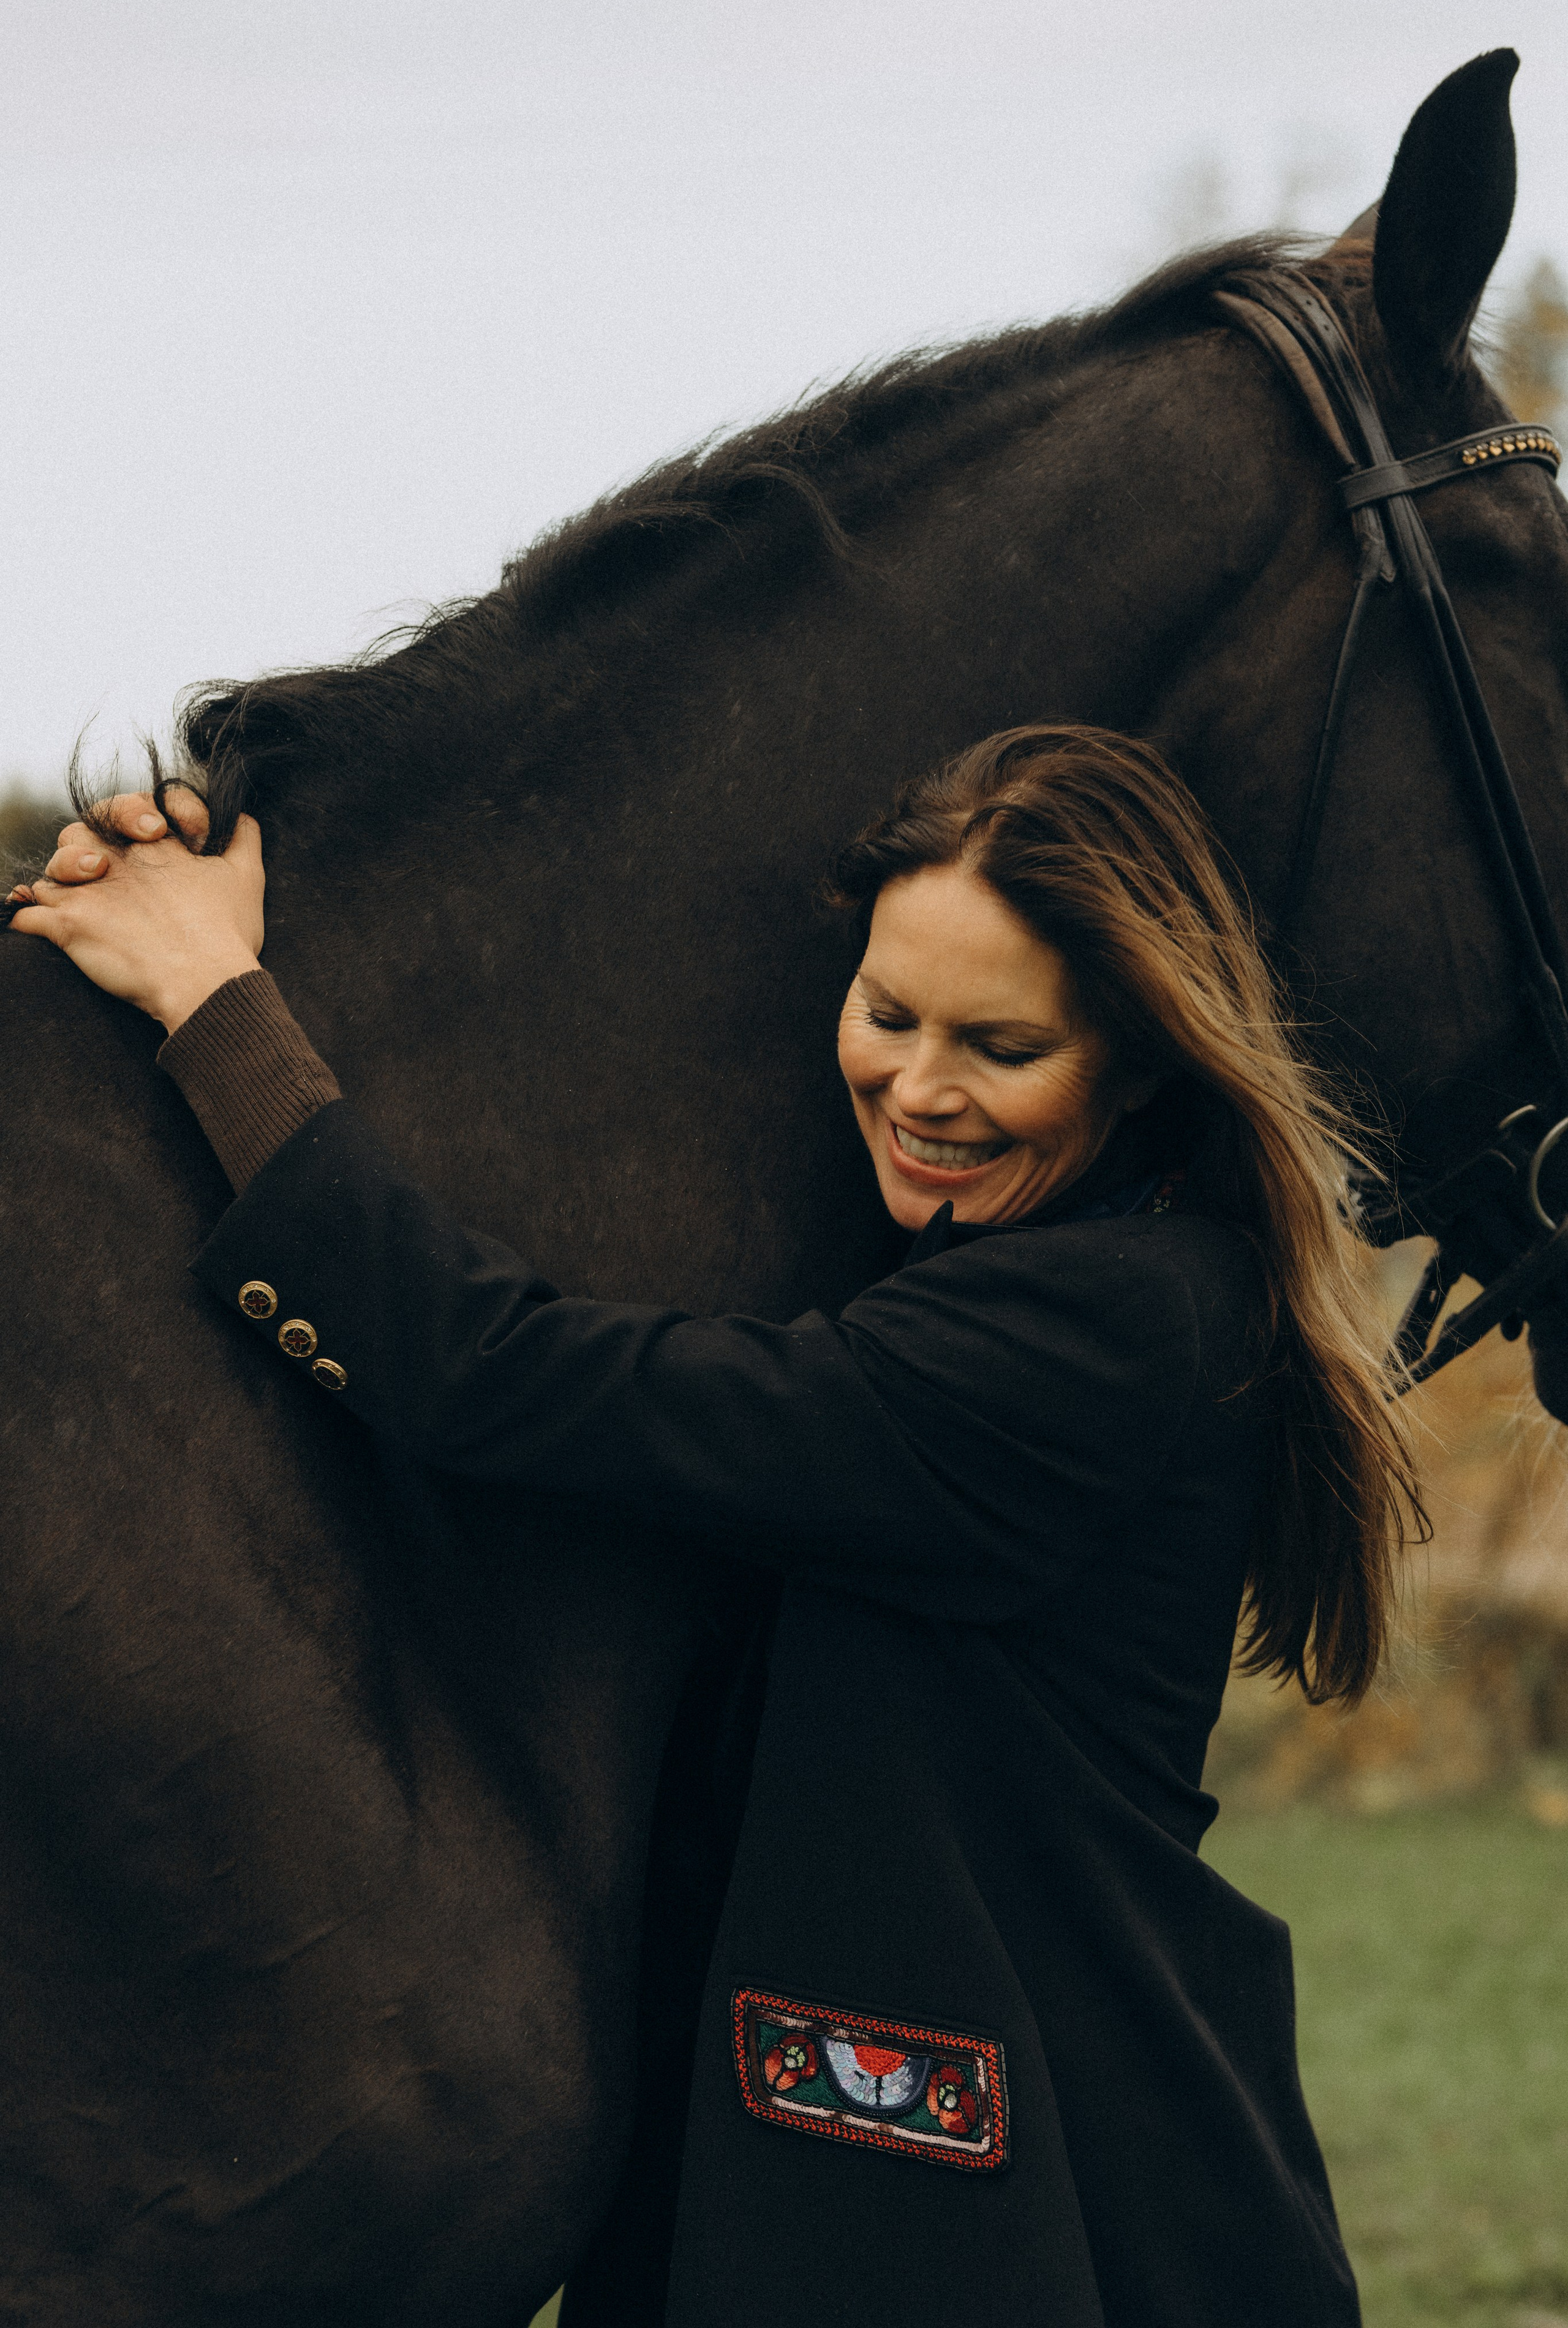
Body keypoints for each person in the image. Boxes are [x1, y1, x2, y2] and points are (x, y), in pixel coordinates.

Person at [9, 724, 1420, 2327]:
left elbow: (507, 1374)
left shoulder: (1094, 1331)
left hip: (1009, 2206)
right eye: (887, 1014)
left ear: (1144, 1056)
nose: (921, 1086)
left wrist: (215, 1003)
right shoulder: (1068, 1254)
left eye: (1003, 1048)